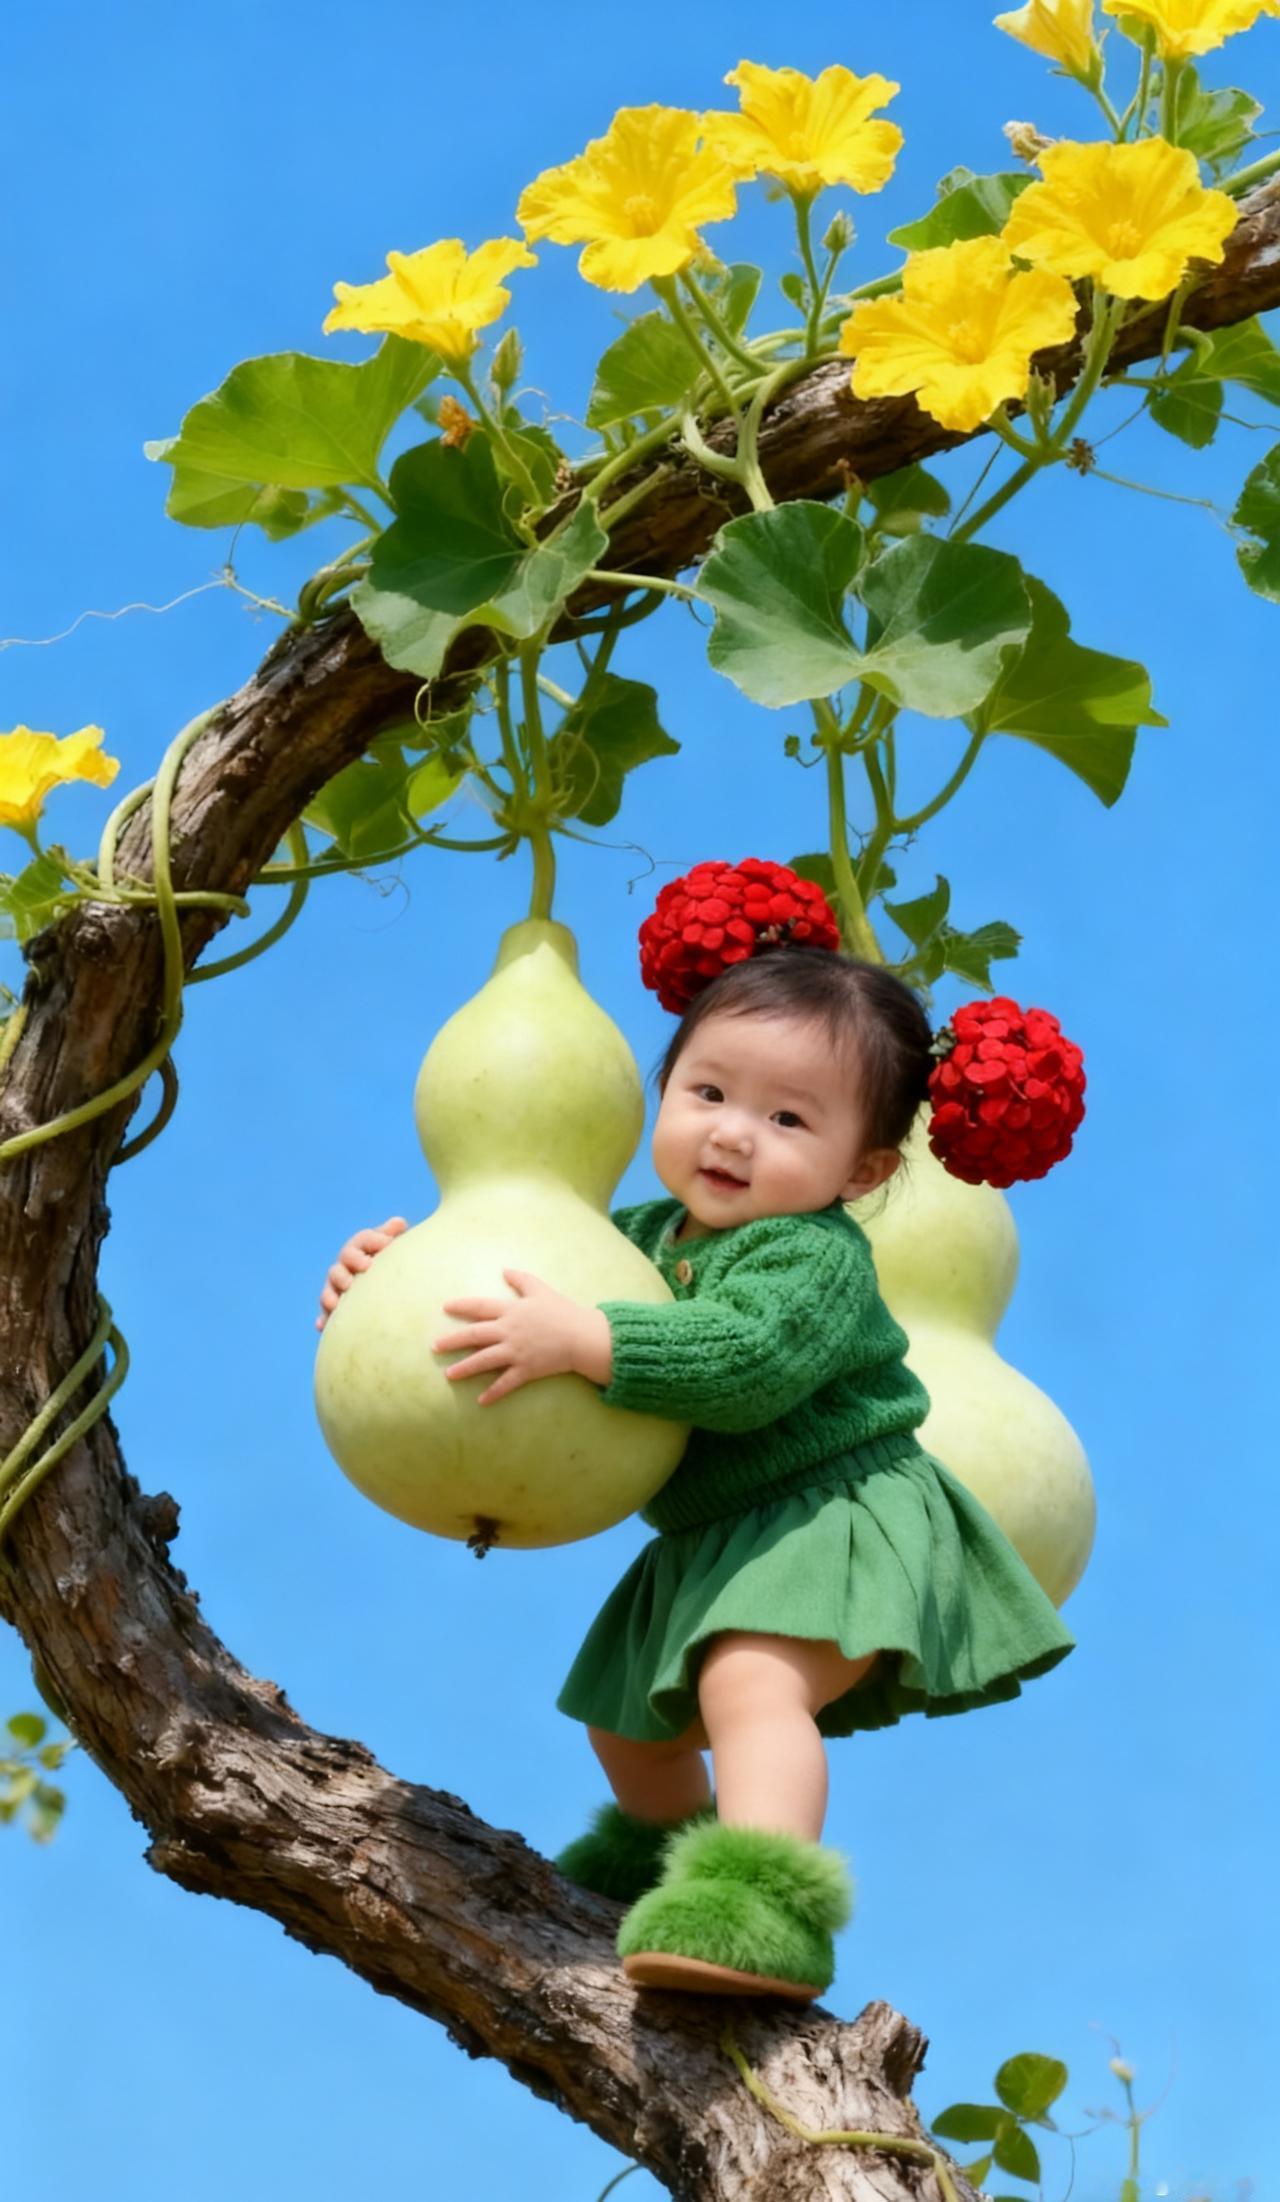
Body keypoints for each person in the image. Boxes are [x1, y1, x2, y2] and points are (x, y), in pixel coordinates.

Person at [316, 940, 1075, 2003]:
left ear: (863, 1172)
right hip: (717, 1533)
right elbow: (527, 1270)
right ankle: (668, 1867)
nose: (732, 1133)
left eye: (788, 1119)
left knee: (748, 1685)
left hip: (830, 1510)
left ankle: (765, 1905)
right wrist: (390, 1277)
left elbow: (747, 1362)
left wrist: (592, 1340)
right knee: (627, 1722)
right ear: (661, 1088)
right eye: (708, 1092)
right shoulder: (630, 1239)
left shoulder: (812, 1255)